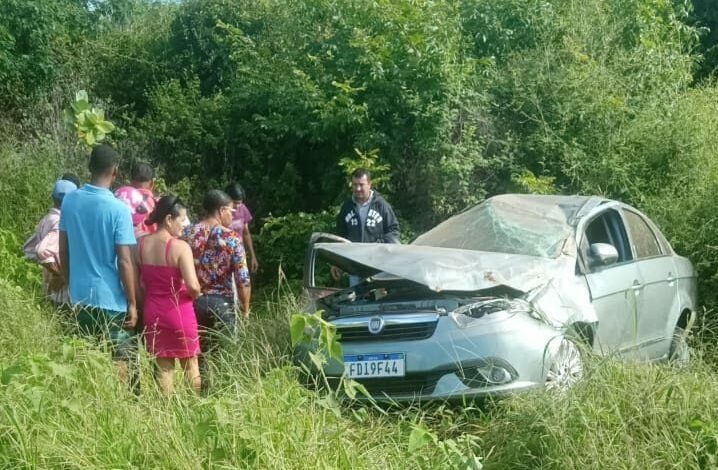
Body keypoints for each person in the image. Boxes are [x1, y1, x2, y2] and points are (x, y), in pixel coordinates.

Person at [59, 144, 139, 382]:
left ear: (89, 167)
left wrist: (69, 282)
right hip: (111, 299)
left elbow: (63, 250)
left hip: (80, 296)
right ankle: (117, 404)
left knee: (85, 354)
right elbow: (125, 261)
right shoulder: (118, 209)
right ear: (115, 171)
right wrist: (133, 303)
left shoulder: (70, 202)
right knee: (119, 357)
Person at [136, 196, 202, 394]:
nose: (184, 226)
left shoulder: (141, 245)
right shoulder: (181, 247)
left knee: (163, 366)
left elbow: (141, 283)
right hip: (179, 311)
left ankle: (167, 412)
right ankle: (194, 408)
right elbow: (193, 285)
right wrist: (194, 293)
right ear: (168, 219)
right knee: (191, 365)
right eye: (181, 220)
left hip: (153, 311)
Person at [182, 190, 251, 356]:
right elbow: (243, 280)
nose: (232, 216)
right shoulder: (232, 238)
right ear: (221, 210)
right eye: (230, 211)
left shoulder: (187, 233)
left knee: (198, 356)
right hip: (222, 303)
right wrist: (245, 310)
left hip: (193, 302)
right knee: (225, 356)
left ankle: (199, 382)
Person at [334, 168, 400, 284]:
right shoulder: (347, 207)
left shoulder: (381, 205)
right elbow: (340, 235)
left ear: (370, 184)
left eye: (361, 185)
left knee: (378, 300)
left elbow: (394, 232)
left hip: (378, 267)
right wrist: (337, 263)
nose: (358, 188)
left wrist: (377, 245)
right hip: (355, 267)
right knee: (357, 301)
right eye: (355, 185)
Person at [23, 179, 77, 304]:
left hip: (48, 285)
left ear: (53, 197)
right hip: (60, 291)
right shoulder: (59, 223)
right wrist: (60, 274)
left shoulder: (46, 219)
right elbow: (41, 251)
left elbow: (27, 249)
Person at [114, 162, 157, 239]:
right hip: (150, 248)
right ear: (152, 183)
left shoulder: (120, 197)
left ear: (131, 181)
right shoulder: (158, 205)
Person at [225, 182, 259, 274]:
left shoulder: (242, 209)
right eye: (235, 203)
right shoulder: (222, 213)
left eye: (239, 203)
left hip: (239, 254)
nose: (237, 206)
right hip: (224, 256)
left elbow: (246, 233)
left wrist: (253, 256)